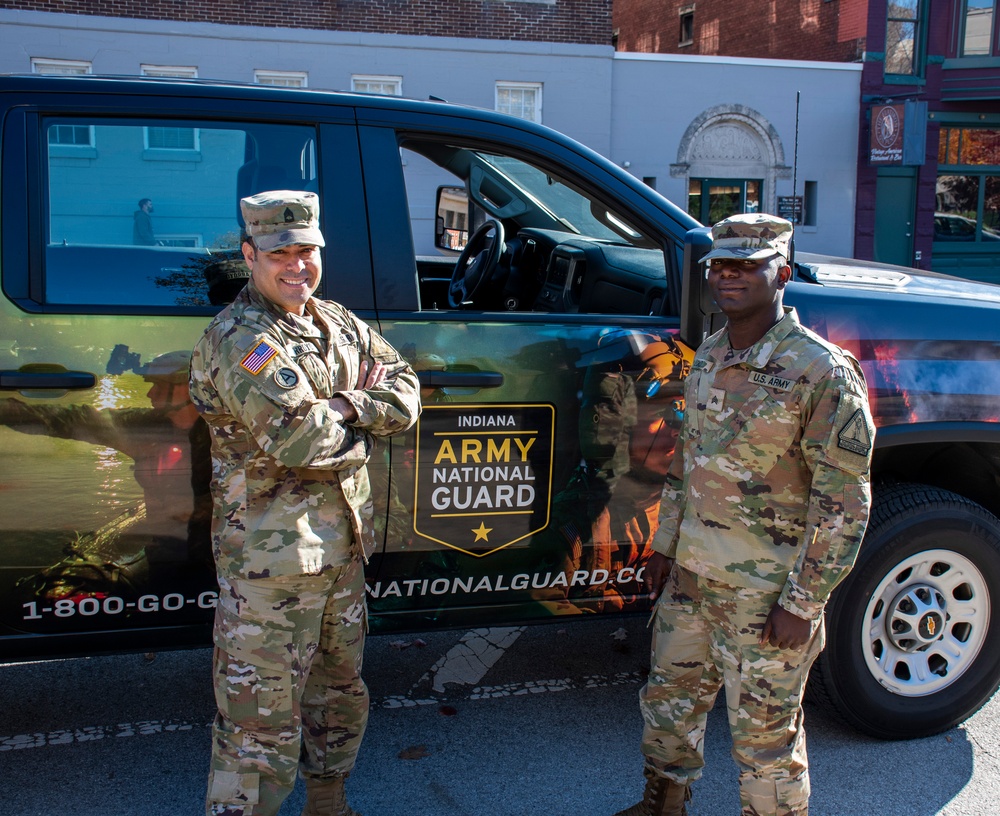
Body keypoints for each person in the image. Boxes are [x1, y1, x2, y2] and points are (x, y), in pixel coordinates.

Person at [615, 213, 875, 816]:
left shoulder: (822, 372)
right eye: (720, 266)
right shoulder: (709, 354)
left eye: (747, 266)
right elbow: (688, 462)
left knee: (765, 741)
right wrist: (664, 548)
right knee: (669, 704)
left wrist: (802, 606)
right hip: (693, 578)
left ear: (781, 274)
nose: (729, 276)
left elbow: (844, 505)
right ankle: (662, 804)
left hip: (766, 596)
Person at [189, 190, 421, 816]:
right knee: (258, 724)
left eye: (307, 251)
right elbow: (298, 441)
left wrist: (344, 406)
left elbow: (407, 391)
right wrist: (359, 413)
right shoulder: (243, 339)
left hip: (341, 556)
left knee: (337, 696)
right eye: (279, 253)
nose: (297, 266)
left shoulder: (337, 323)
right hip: (272, 569)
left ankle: (329, 804)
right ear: (249, 255)